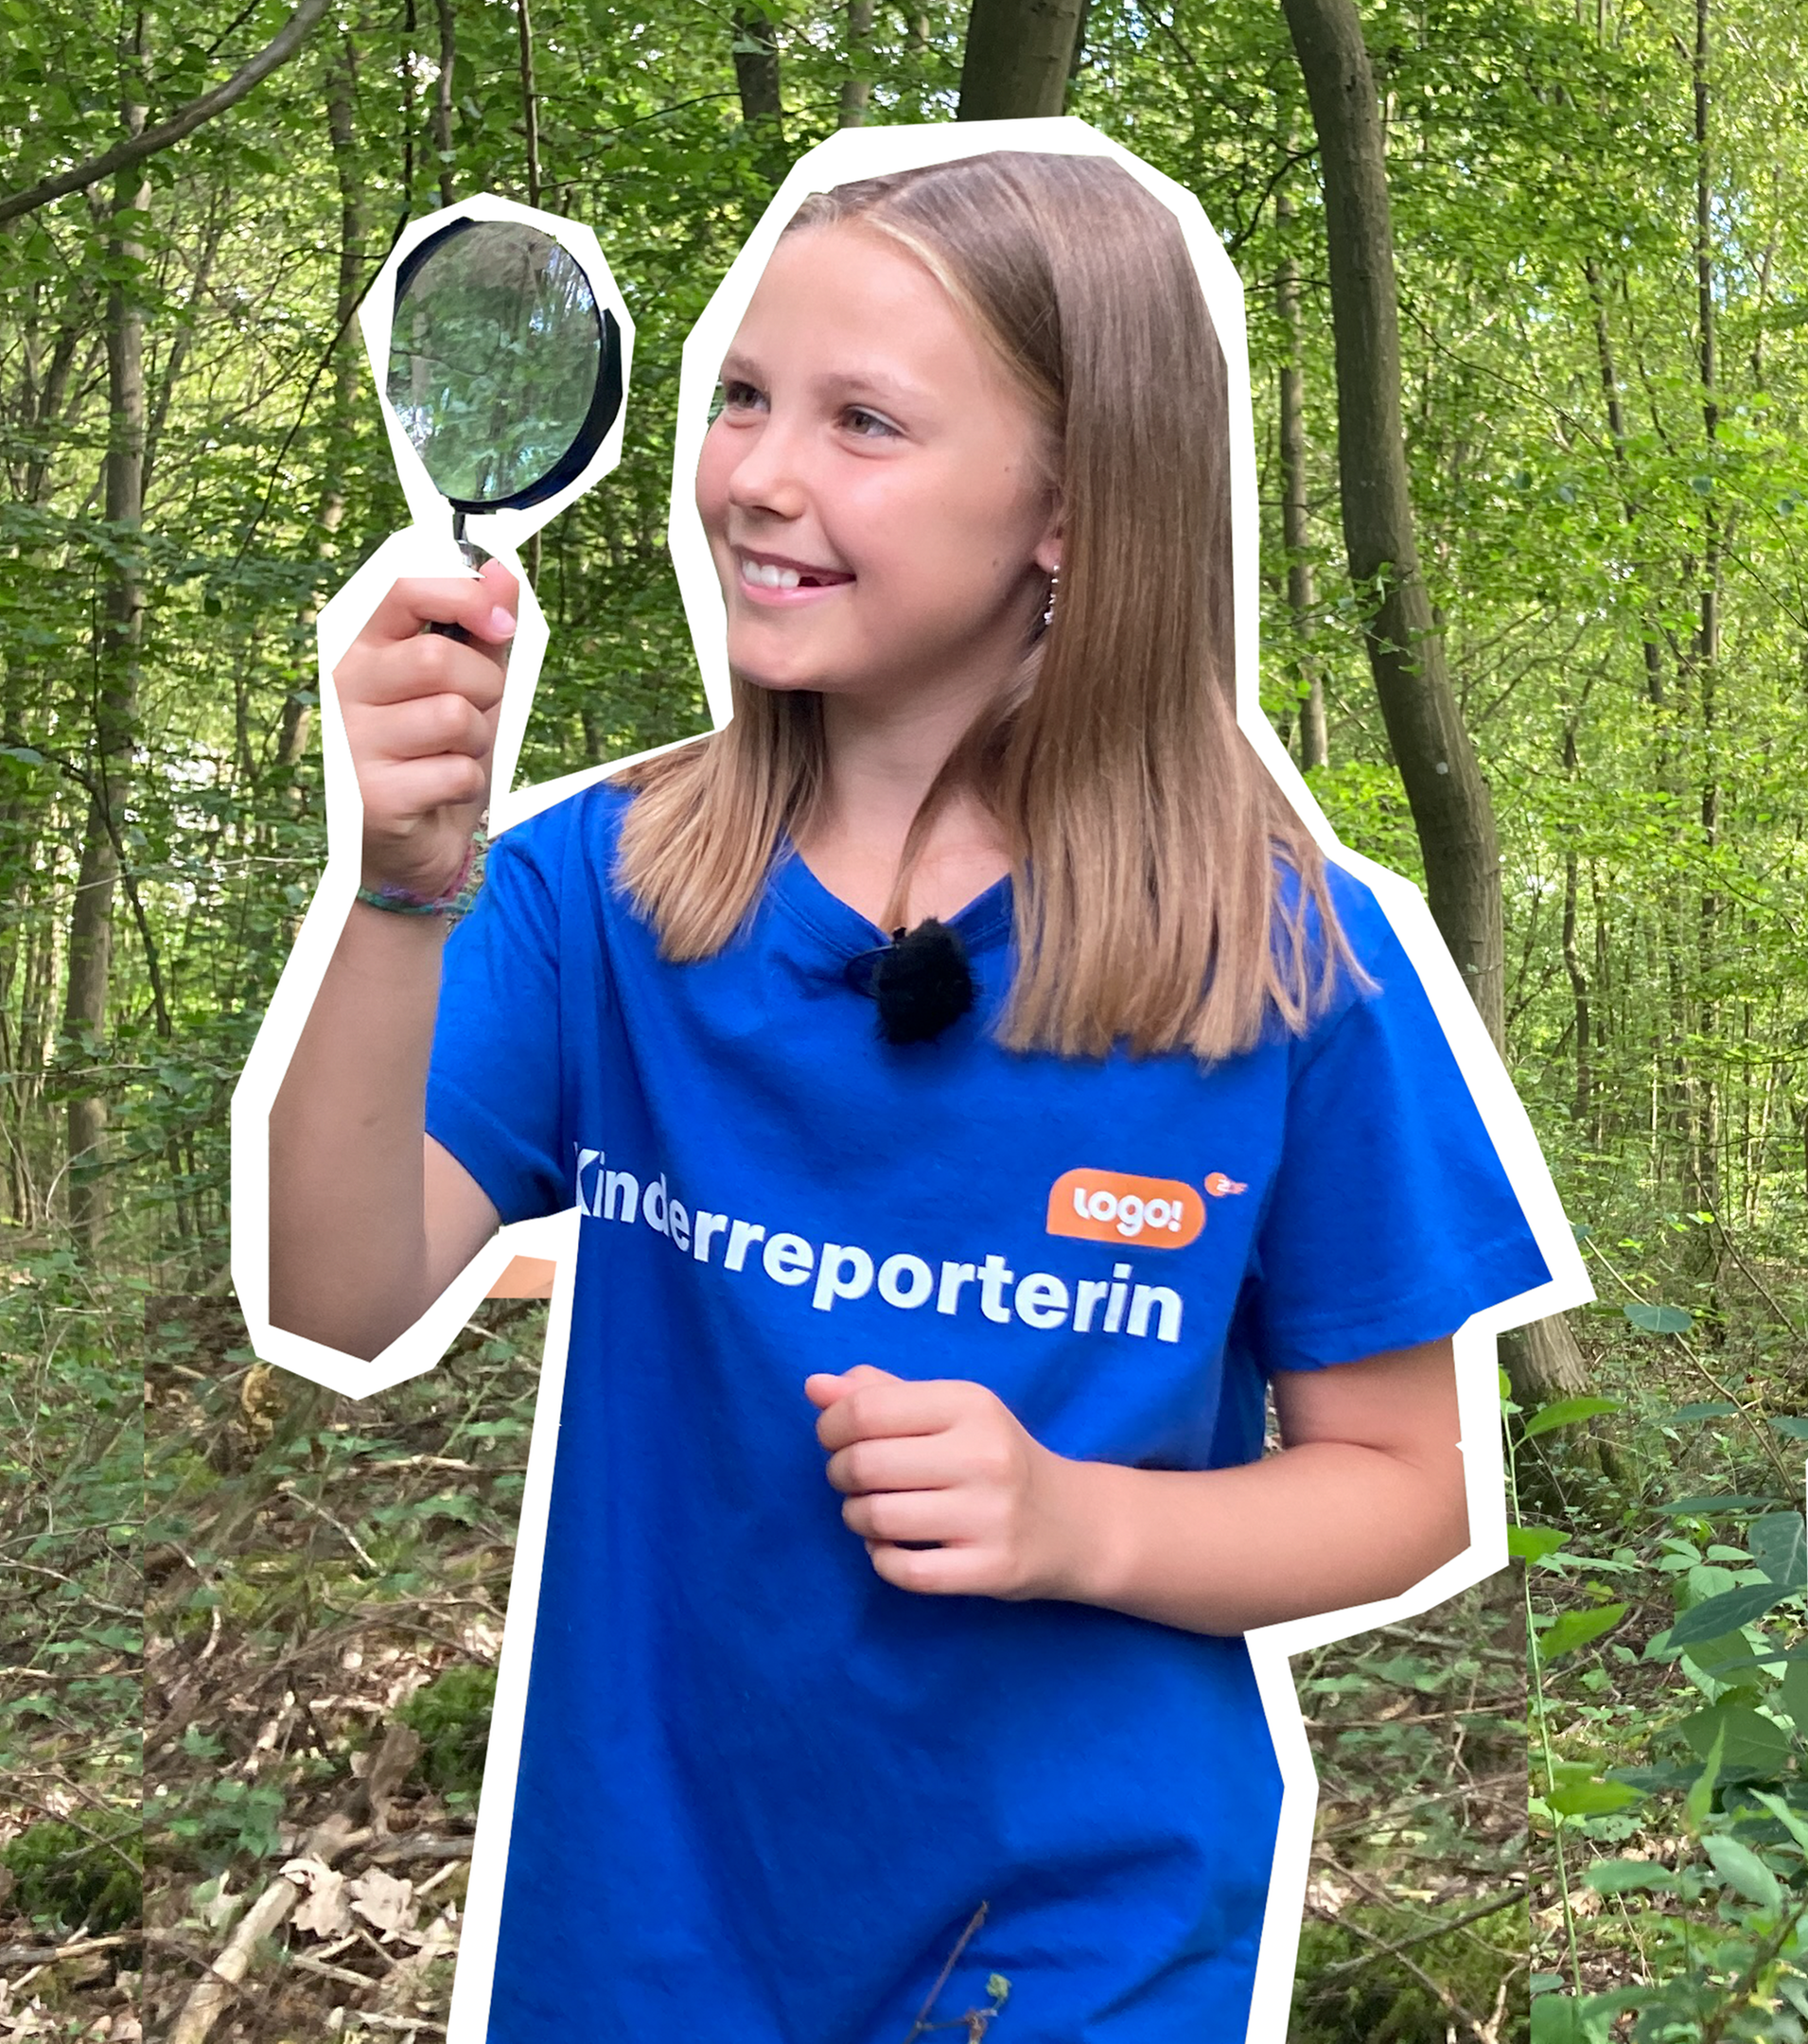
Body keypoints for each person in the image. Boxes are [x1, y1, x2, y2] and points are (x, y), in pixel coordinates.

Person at [261, 142, 1556, 2042]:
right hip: (646, 1942)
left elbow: (1406, 1492)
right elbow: (335, 1291)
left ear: (1073, 511)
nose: (759, 477)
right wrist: (399, 886)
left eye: (864, 421)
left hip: (1080, 1955)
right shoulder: (591, 891)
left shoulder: (1289, 960)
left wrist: (1077, 1523)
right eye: (742, 399)